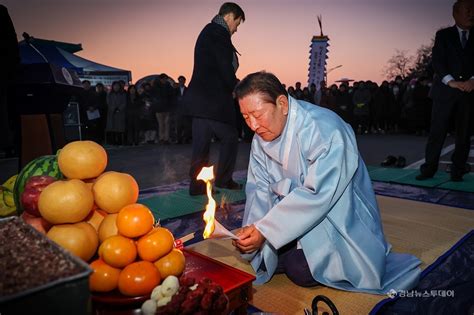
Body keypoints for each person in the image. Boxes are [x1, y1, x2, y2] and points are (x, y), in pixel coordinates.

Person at [232, 71, 421, 294]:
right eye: (246, 117)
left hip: (336, 215)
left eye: (257, 114)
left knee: (298, 269)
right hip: (287, 218)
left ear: (282, 103)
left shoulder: (325, 128)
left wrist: (267, 230)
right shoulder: (260, 138)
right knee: (264, 259)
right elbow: (259, 189)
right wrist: (254, 229)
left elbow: (318, 193)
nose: (253, 125)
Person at [184, 2, 245, 195]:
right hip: (213, 100)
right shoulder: (219, 33)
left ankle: (197, 186)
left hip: (201, 101)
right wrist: (236, 86)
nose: (236, 29)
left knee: (201, 146)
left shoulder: (209, 31)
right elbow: (223, 66)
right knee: (230, 137)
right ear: (230, 16)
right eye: (237, 23)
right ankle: (224, 180)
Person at [417, 0, 474, 182]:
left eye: (473, 10)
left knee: (464, 134)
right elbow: (438, 61)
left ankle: (458, 170)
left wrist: (473, 80)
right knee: (437, 132)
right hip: (445, 91)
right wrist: (451, 82)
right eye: (467, 10)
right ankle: (429, 169)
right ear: (455, 13)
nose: (471, 13)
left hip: (469, 93)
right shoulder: (444, 35)